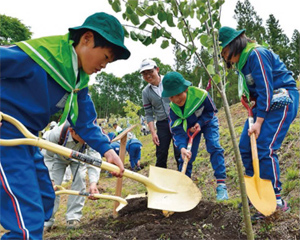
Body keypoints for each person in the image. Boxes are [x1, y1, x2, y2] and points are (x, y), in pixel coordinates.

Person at [0, 12, 128, 239]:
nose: (105, 66)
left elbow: (85, 122)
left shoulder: (77, 80)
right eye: (106, 57)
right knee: (26, 223)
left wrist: (108, 151)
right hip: (6, 134)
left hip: (28, 138)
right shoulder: (40, 56)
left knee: (44, 197)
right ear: (87, 39)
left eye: (109, 61)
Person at [219, 26, 299, 218]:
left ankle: (276, 200)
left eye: (225, 52)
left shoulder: (256, 54)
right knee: (245, 147)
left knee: (264, 147)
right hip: (262, 104)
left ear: (234, 44)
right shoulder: (243, 63)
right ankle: (255, 195)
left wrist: (259, 121)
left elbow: (266, 89)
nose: (225, 58)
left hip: (282, 99)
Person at [162, 71, 229, 201]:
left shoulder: (201, 95)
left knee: (214, 146)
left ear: (185, 89)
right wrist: (181, 147)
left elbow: (211, 111)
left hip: (208, 122)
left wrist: (200, 122)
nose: (176, 99)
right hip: (191, 130)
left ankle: (221, 185)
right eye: (171, 97)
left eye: (178, 94)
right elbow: (177, 130)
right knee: (186, 156)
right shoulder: (173, 110)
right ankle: (183, 188)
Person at [42, 122, 101, 231]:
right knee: (52, 187)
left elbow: (94, 159)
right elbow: (47, 157)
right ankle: (47, 220)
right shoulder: (56, 134)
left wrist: (93, 182)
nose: (86, 138)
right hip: (56, 157)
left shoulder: (91, 135)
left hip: (78, 158)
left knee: (80, 179)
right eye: (82, 135)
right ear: (71, 131)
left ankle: (73, 217)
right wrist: (50, 178)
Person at [139, 59, 181, 169]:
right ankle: (161, 181)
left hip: (177, 120)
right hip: (162, 124)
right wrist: (153, 133)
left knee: (179, 151)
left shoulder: (168, 81)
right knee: (161, 153)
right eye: (144, 74)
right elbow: (148, 114)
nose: (148, 76)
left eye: (150, 72)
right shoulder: (146, 92)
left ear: (157, 70)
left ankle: (184, 175)